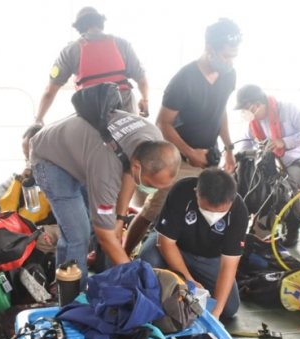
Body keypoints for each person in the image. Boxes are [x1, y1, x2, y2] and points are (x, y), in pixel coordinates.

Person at [30, 85, 181, 290]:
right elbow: (105, 234)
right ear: (139, 167)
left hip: (81, 155)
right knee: (78, 234)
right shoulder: (106, 169)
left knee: (108, 226)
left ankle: (110, 284)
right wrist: (135, 280)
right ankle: (69, 296)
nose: (152, 190)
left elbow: (128, 169)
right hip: (51, 160)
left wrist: (119, 218)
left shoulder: (152, 138)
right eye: (151, 185)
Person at [124, 18, 242, 255]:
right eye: (226, 56)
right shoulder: (184, 80)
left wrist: (228, 148)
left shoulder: (228, 76)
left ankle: (186, 255)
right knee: (153, 210)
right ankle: (124, 255)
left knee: (206, 207)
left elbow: (221, 112)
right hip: (181, 158)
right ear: (210, 49)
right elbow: (162, 123)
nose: (230, 62)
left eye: (233, 57)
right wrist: (190, 153)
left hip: (209, 156)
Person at [137, 168, 247, 319]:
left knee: (229, 308)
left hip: (210, 258)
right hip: (176, 245)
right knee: (148, 261)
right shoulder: (182, 191)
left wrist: (216, 313)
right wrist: (189, 281)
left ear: (231, 200)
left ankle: (181, 276)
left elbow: (229, 263)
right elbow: (166, 242)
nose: (213, 214)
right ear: (196, 192)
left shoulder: (239, 210)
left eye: (220, 211)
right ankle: (170, 281)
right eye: (207, 209)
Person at [34, 7, 149, 124]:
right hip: (126, 110)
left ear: (79, 27)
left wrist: (38, 119)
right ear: (101, 22)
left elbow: (50, 92)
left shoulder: (69, 51)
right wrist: (144, 99)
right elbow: (142, 80)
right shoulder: (122, 43)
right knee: (130, 139)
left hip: (91, 113)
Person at [234, 84, 300, 246]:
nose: (244, 112)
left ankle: (292, 227)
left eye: (246, 107)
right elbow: (245, 146)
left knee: (286, 184)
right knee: (254, 182)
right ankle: (258, 227)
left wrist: (283, 142)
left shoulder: (288, 110)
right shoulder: (253, 123)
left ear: (257, 104)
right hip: (271, 163)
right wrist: (235, 162)